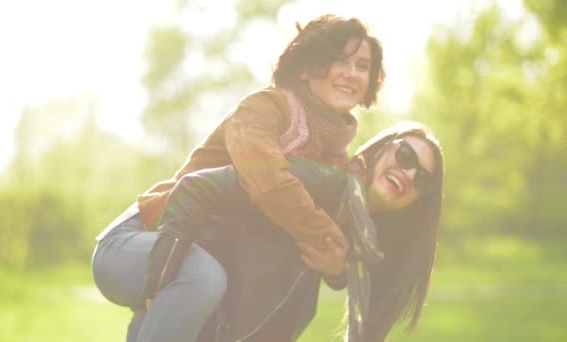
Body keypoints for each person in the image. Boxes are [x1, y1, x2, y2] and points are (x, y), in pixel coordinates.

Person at [92, 13, 385, 342]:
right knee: (203, 277)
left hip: (197, 264)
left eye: (362, 65)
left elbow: (330, 242)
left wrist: (336, 266)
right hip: (140, 241)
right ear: (305, 67)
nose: (352, 73)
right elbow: (268, 181)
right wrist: (326, 235)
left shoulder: (333, 159)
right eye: (338, 60)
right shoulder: (264, 108)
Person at [125, 122, 443, 341]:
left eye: (423, 178)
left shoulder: (361, 242)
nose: (409, 172)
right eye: (405, 155)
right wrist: (160, 283)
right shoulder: (320, 181)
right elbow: (196, 186)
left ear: (418, 201)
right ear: (377, 152)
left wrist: (339, 270)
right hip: (179, 298)